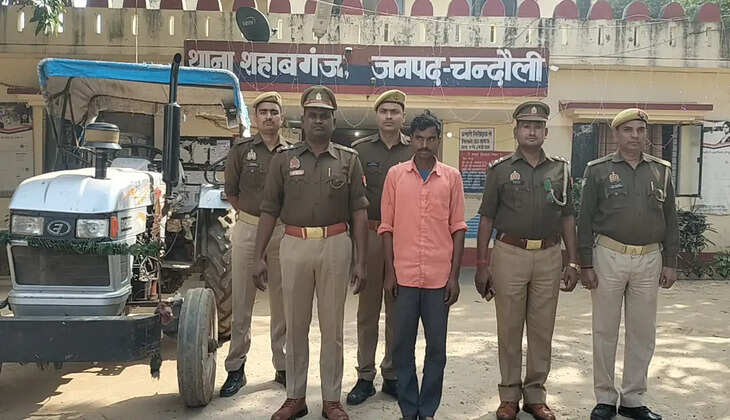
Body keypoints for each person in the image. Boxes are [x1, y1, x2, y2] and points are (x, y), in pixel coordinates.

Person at [254, 85, 369, 420]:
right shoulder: (283, 160)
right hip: (294, 245)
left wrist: (361, 261)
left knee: (333, 328)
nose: (318, 120)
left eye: (324, 116)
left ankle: (332, 399)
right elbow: (269, 209)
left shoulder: (349, 160)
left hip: (336, 245)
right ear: (302, 120)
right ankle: (295, 397)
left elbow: (359, 211)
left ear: (333, 121)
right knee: (295, 325)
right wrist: (257, 256)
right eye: (313, 115)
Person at [474, 101, 580, 420]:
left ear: (545, 132)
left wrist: (572, 261)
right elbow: (486, 218)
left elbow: (568, 217)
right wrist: (482, 264)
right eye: (526, 126)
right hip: (509, 254)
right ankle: (509, 395)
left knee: (542, 329)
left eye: (537, 126)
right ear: (516, 131)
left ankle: (536, 395)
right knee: (509, 327)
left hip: (549, 256)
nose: (531, 131)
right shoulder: (500, 170)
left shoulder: (560, 170)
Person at [578, 108, 678, 420]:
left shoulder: (661, 170)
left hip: (649, 259)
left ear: (646, 134)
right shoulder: (598, 170)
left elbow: (671, 219)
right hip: (608, 256)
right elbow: (584, 220)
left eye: (640, 130)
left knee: (642, 332)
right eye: (628, 130)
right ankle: (605, 398)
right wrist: (585, 264)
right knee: (604, 330)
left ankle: (633, 399)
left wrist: (670, 262)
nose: (635, 136)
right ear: (616, 134)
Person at [379, 111, 467, 420]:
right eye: (419, 139)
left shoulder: (452, 178)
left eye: (430, 139)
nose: (424, 145)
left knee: (436, 349)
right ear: (411, 140)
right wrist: (390, 272)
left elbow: (458, 228)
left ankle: (427, 409)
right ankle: (408, 408)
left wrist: (454, 277)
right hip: (403, 277)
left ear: (438, 140)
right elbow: (386, 227)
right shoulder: (395, 176)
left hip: (438, 279)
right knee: (401, 348)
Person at [219, 92, 290, 398]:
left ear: (282, 117)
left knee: (283, 303)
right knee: (241, 302)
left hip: (283, 232)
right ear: (256, 117)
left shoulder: (292, 153)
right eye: (263, 112)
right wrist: (253, 218)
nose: (269, 116)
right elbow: (231, 192)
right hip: (248, 228)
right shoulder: (241, 150)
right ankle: (236, 368)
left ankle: (283, 366)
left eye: (274, 111)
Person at [347, 89, 413, 406]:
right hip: (371, 235)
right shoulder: (359, 151)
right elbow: (352, 201)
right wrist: (356, 252)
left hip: (404, 238)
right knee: (368, 311)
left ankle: (393, 374)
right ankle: (364, 376)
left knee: (398, 310)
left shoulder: (415, 150)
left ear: (403, 116)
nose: (389, 116)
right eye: (384, 111)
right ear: (376, 115)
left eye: (394, 111)